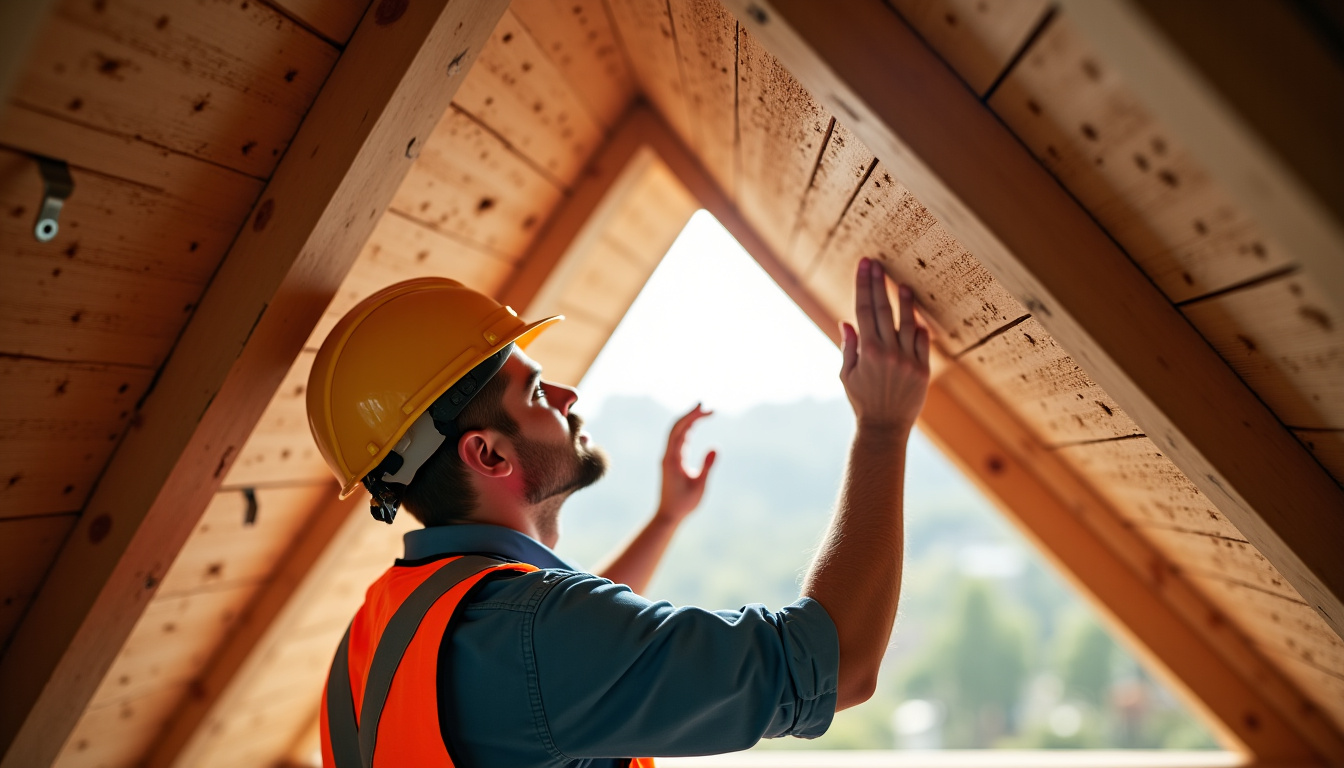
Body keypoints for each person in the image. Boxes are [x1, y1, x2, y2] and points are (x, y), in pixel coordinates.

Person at [308, 257, 930, 767]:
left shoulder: (380, 628)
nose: (567, 395)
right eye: (535, 392)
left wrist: (665, 520)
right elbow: (839, 665)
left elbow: (571, 668)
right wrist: (882, 428)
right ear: (488, 453)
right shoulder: (536, 635)